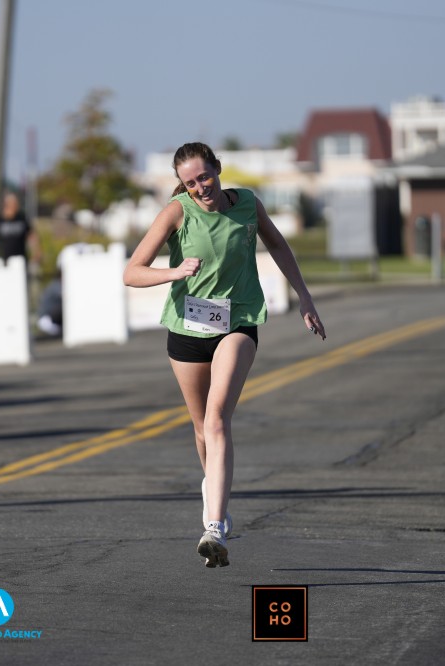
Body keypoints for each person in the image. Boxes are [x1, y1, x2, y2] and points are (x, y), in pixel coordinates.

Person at [123, 142, 326, 568]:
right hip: (187, 329)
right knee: (201, 430)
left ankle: (214, 527)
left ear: (218, 168)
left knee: (217, 420)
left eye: (205, 176)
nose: (200, 187)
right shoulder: (176, 212)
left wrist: (304, 297)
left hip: (237, 322)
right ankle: (212, 492)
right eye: (190, 182)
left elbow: (278, 246)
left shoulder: (248, 204)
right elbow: (132, 272)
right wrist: (174, 272)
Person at [0, 192, 39, 265]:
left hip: (20, 259)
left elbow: (30, 236)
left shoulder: (22, 218)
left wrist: (36, 251)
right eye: (13, 203)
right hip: (4, 260)